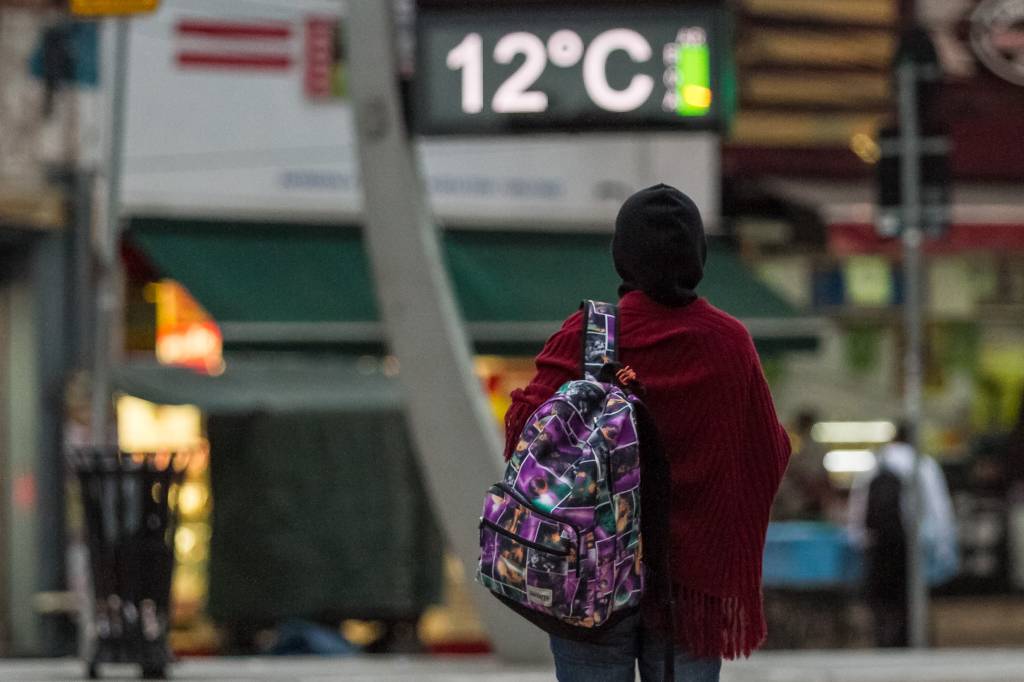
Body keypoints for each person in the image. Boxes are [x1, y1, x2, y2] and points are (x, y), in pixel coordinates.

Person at [502, 184, 791, 681]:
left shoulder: (588, 335)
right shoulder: (729, 343)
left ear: (623, 254)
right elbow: (769, 453)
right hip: (690, 585)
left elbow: (523, 438)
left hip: (585, 569)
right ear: (697, 254)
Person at [846, 422, 958, 647]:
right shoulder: (923, 465)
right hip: (910, 545)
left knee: (882, 601)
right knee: (909, 599)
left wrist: (857, 539)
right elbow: (939, 510)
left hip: (877, 545)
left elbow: (858, 510)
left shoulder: (874, 465)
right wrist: (945, 548)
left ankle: (884, 641)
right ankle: (909, 641)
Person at [771, 410, 833, 521]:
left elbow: (820, 477)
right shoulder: (791, 444)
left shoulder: (814, 449)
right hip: (793, 502)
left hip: (807, 502)